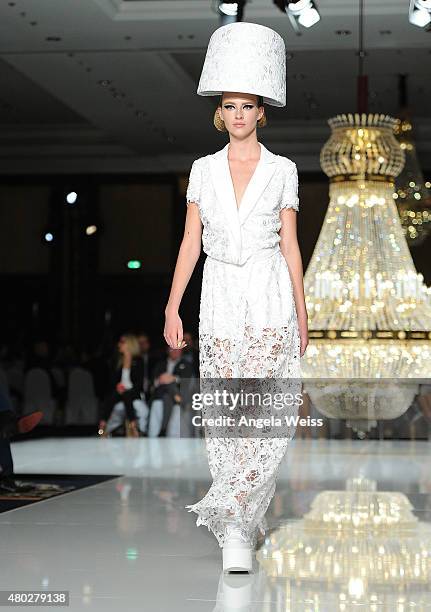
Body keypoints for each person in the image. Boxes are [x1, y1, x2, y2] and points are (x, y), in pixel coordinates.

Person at [163, 22, 308, 573]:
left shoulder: (283, 170)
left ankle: (237, 510)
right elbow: (190, 242)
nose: (239, 114)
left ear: (261, 111)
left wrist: (302, 313)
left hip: (270, 295)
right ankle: (238, 525)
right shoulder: (201, 170)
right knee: (227, 416)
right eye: (230, 105)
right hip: (221, 297)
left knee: (268, 416)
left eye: (248, 105)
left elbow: (292, 247)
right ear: (219, 112)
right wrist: (172, 304)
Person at [98, 333, 145, 438]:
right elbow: (113, 381)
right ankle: (103, 424)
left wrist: (127, 389)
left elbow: (139, 382)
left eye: (122, 342)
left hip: (133, 391)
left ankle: (132, 426)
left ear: (129, 344)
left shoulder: (138, 361)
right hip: (120, 391)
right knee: (110, 398)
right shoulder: (118, 361)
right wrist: (117, 386)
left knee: (127, 395)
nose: (119, 344)